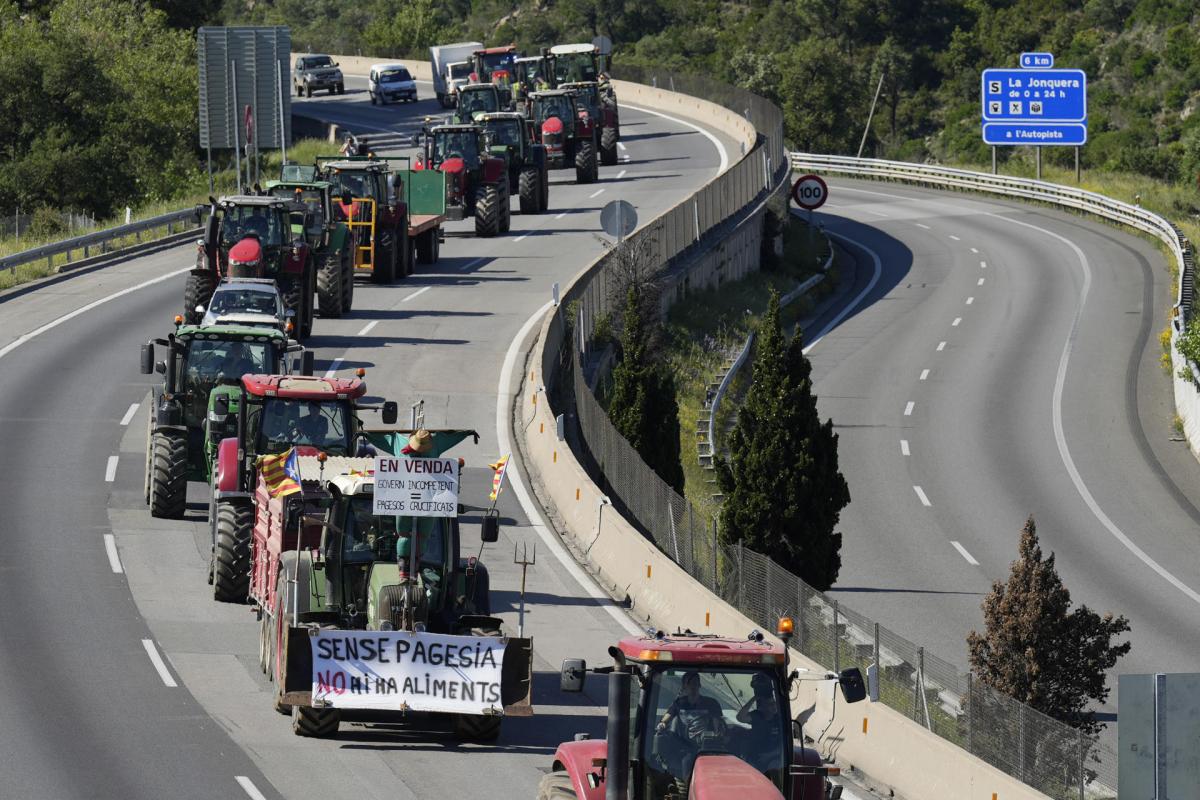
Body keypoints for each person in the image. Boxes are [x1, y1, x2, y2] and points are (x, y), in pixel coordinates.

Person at [654, 671, 726, 789]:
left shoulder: (710, 703)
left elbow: (717, 721)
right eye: (690, 684)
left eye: (695, 683)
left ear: (699, 685)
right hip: (686, 746)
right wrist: (662, 724)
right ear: (684, 687)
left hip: (708, 746)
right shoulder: (679, 703)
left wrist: (718, 731)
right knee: (687, 763)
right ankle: (689, 790)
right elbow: (668, 716)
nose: (693, 687)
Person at [736, 672, 784, 773]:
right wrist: (754, 699)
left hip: (773, 759)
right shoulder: (757, 716)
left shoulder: (779, 720)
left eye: (774, 703)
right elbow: (740, 717)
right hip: (755, 758)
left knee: (775, 768)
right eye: (770, 704)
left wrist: (768, 756)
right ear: (762, 707)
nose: (774, 706)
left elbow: (782, 746)